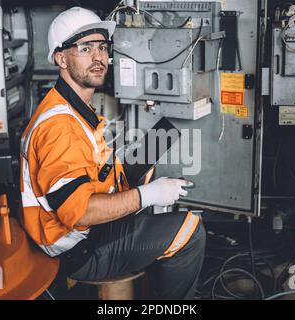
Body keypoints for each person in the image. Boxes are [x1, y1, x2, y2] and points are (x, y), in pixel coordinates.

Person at [19, 7, 205, 299]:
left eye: (102, 47)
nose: (98, 57)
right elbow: (79, 211)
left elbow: (102, 173)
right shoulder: (58, 126)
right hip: (78, 248)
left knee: (149, 162)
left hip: (88, 232)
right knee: (190, 230)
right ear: (61, 58)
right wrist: (148, 196)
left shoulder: (73, 108)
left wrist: (171, 127)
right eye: (85, 48)